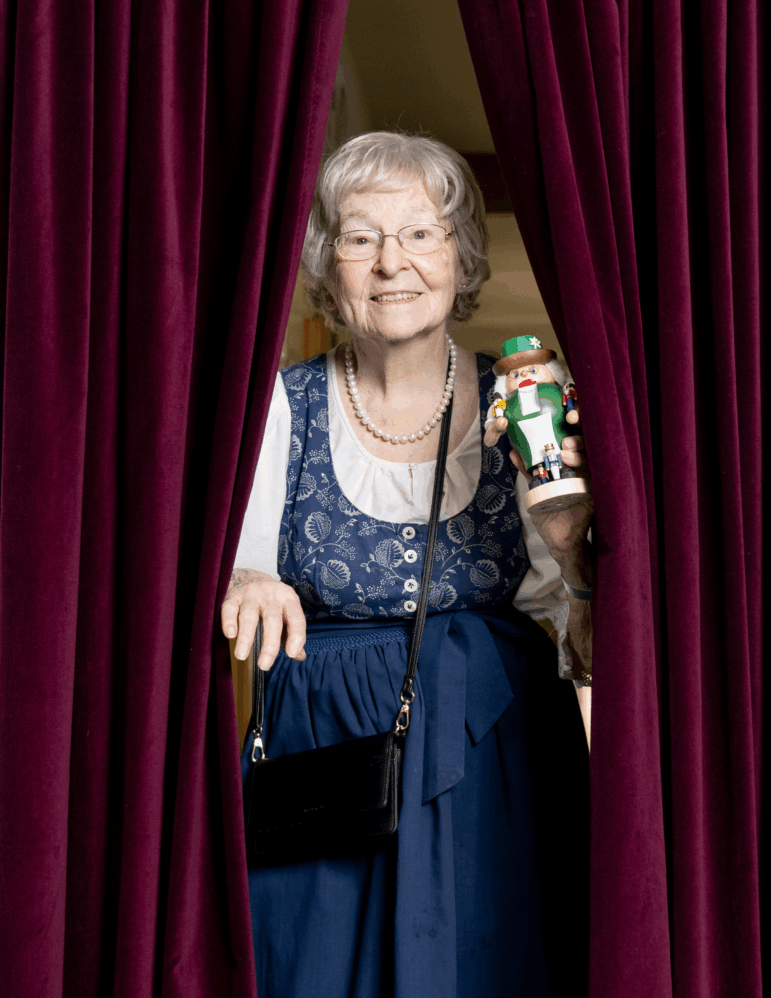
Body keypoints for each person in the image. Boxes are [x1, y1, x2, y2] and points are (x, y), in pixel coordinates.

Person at [222, 132, 592, 998]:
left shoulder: (525, 407)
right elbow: (219, 562)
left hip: (494, 759)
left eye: (420, 234)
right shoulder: (279, 405)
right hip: (323, 766)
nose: (392, 263)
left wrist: (574, 541)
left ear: (461, 255)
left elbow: (586, 633)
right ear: (327, 262)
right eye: (360, 238)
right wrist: (241, 577)